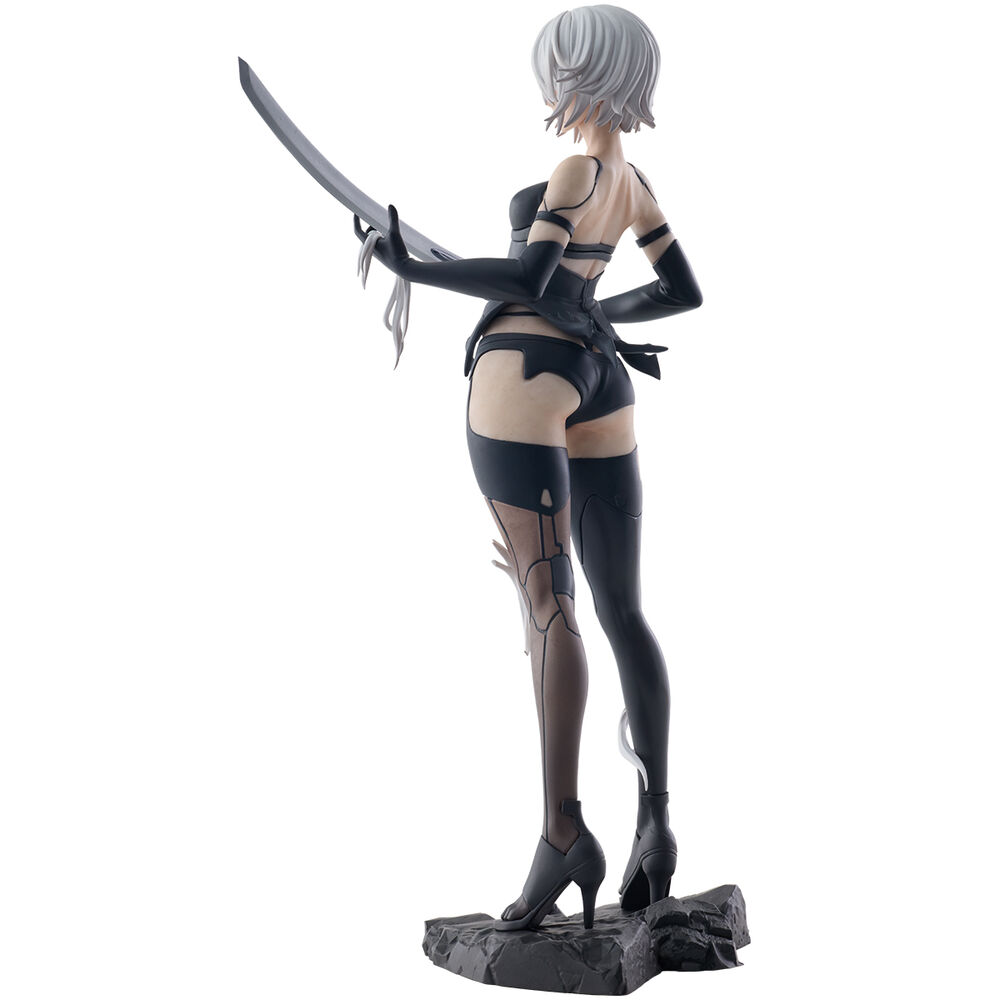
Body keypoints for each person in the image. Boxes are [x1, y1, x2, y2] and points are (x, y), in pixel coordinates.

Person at [354, 5, 702, 932]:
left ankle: (562, 833)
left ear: (579, 73)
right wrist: (600, 319)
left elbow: (532, 283)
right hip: (601, 385)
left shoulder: (578, 169)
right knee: (623, 609)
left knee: (550, 606)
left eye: (556, 68)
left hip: (523, 374)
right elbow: (681, 289)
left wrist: (414, 270)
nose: (548, 84)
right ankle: (658, 824)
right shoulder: (632, 181)